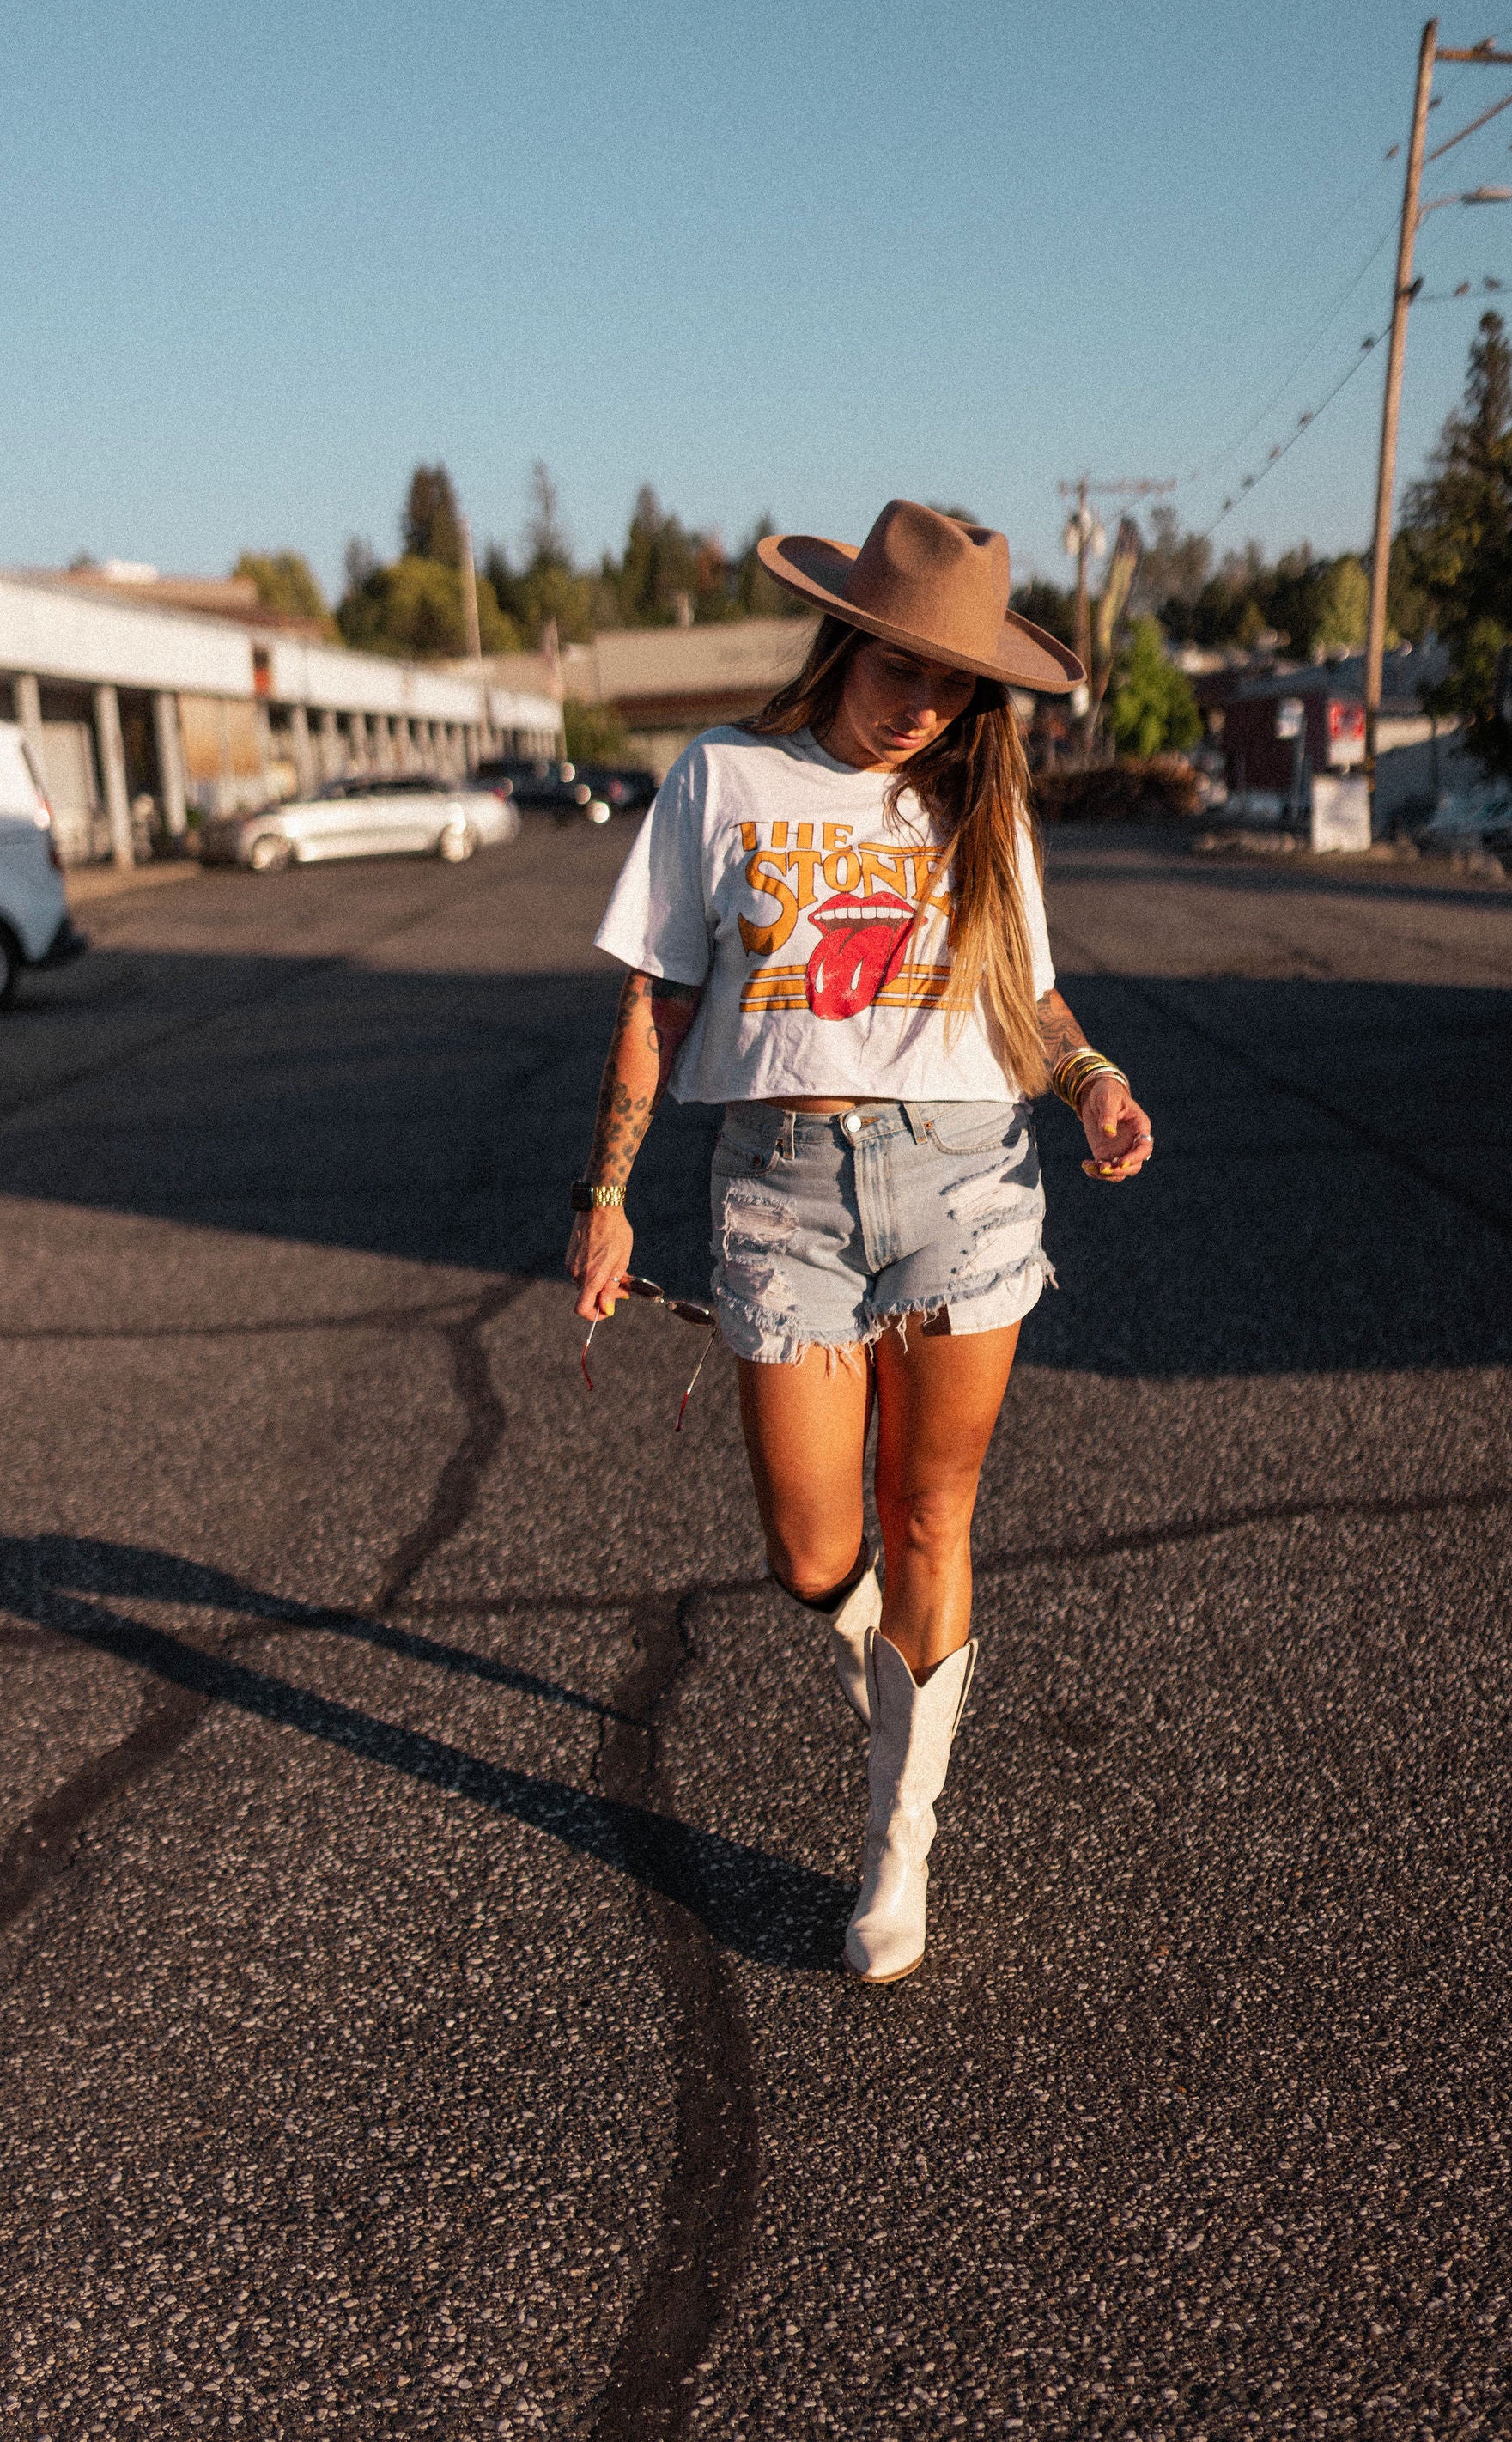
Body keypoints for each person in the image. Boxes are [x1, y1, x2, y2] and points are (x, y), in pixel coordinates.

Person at [568, 501, 1153, 1983]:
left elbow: (1030, 997)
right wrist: (607, 1192)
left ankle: (901, 1845)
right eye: (906, 671)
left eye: (959, 686)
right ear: (850, 637)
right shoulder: (726, 776)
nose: (927, 707)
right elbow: (659, 1003)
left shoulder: (980, 802)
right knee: (815, 1544)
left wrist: (1091, 1083)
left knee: (931, 1517)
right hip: (778, 1188)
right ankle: (911, 1679)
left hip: (963, 1175)